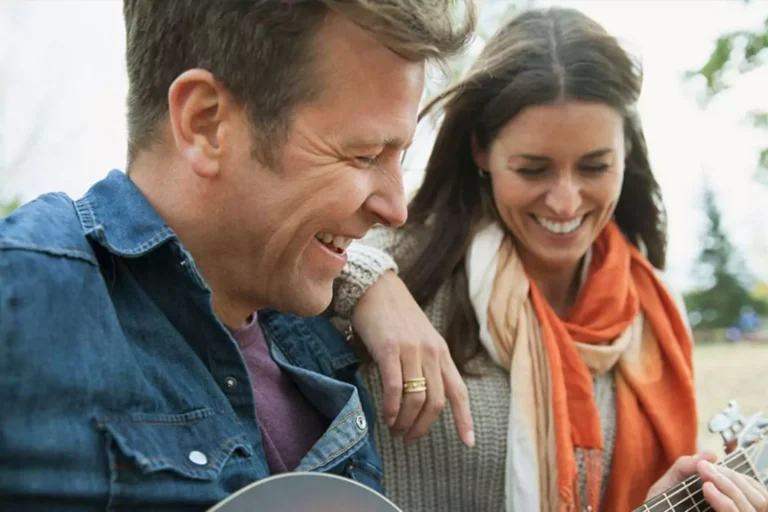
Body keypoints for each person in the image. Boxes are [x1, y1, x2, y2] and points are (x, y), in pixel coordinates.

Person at [0, 1, 475, 510]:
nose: (395, 208)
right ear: (206, 122)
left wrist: (373, 283)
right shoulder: (22, 301)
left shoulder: (321, 340)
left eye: (398, 157)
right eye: (362, 156)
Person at [332, 7, 768, 512]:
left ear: (626, 153)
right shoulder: (383, 266)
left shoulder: (655, 316)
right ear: (480, 150)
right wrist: (367, 282)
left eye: (595, 167)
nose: (564, 202)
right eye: (533, 169)